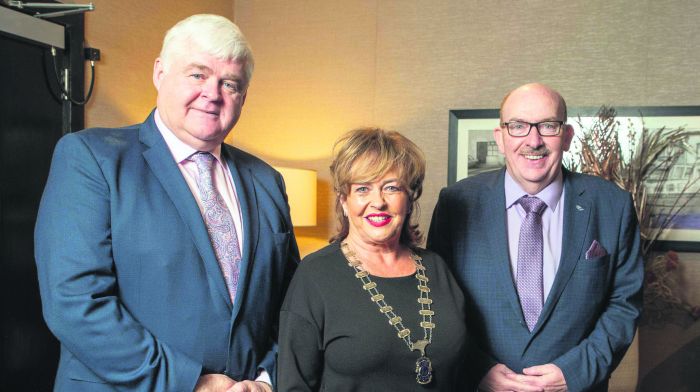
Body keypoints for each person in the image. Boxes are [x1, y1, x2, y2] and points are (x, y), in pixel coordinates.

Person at [34, 14, 299, 392]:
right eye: (197, 74)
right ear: (160, 72)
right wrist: (195, 383)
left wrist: (265, 378)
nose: (213, 93)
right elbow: (76, 304)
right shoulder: (91, 159)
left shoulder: (267, 181)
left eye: (230, 83)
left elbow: (292, 307)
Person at [428, 83, 643, 392]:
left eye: (548, 126)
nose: (533, 140)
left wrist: (575, 371)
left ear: (567, 136)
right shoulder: (456, 203)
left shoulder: (612, 205)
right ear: (500, 139)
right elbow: (438, 302)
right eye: (518, 126)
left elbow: (624, 303)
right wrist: (475, 368)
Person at [277, 128, 469, 391]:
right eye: (363, 189)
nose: (378, 202)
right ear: (344, 200)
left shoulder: (436, 267)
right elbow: (293, 384)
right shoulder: (315, 275)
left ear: (409, 198)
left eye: (391, 187)